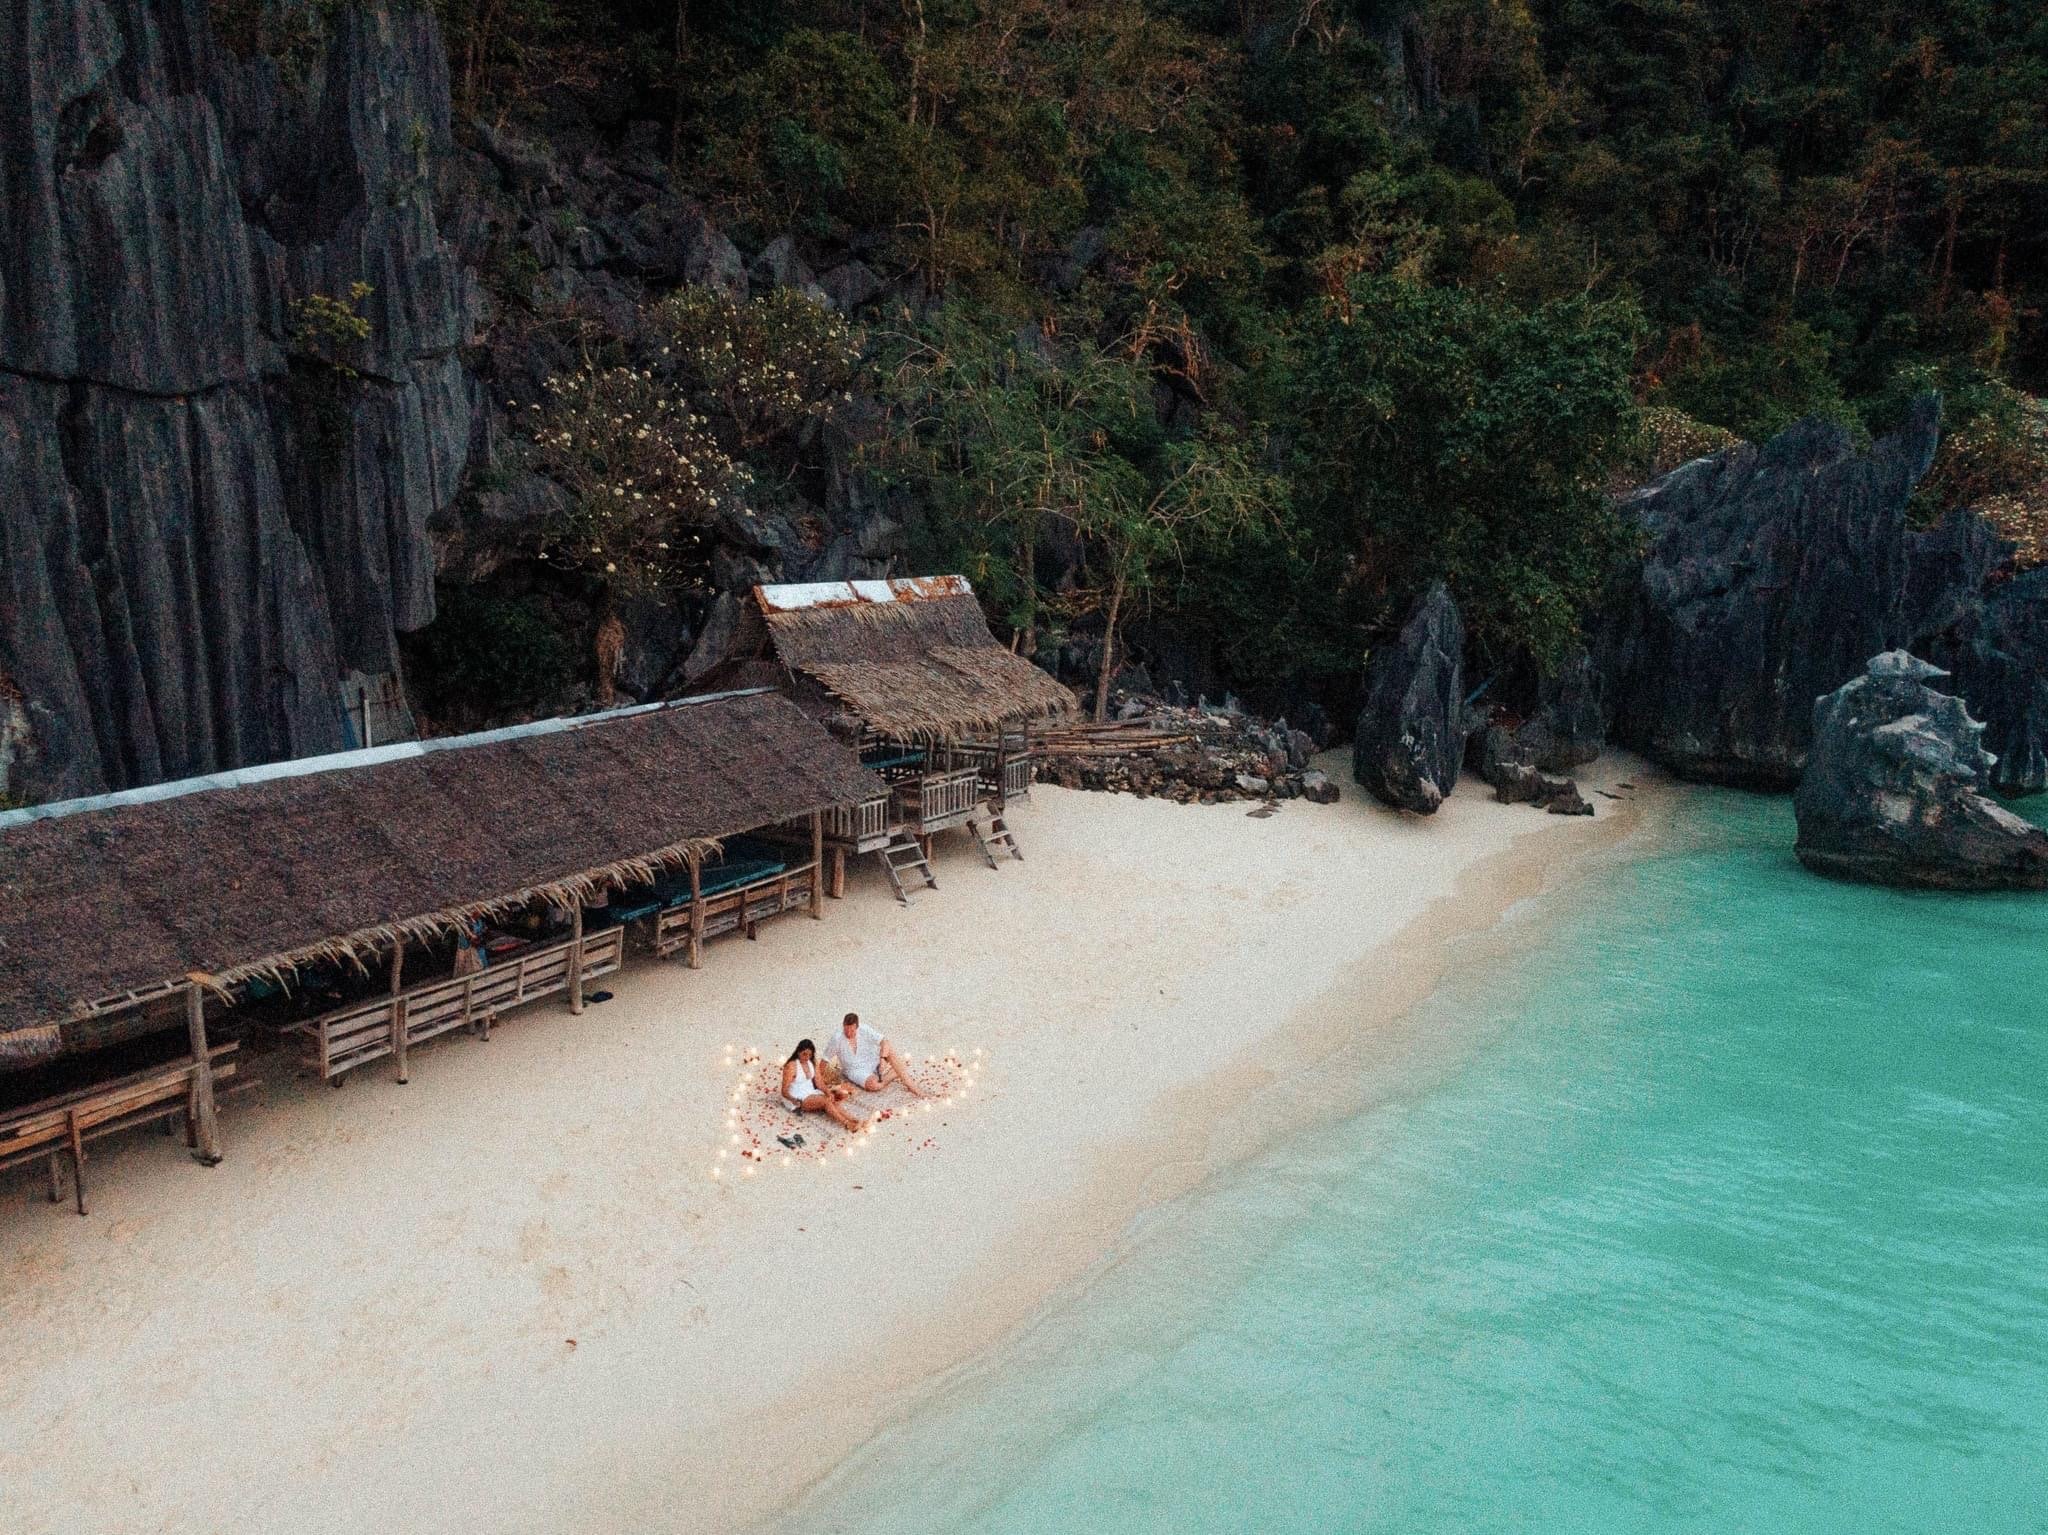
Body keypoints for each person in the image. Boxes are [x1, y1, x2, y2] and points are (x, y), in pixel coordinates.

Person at [823, 1012, 927, 1099]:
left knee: (888, 1048)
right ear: (843, 1025)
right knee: (874, 1085)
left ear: (857, 1027)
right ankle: (895, 1072)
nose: (849, 1033)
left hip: (873, 1059)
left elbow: (884, 1041)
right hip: (855, 1070)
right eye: (846, 1029)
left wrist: (882, 1059)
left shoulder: (864, 1029)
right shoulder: (836, 1038)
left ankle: (911, 1085)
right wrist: (818, 1083)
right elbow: (824, 1060)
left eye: (852, 1030)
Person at [780, 1039, 865, 1132]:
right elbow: (784, 1091)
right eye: (804, 1054)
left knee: (831, 1099)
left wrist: (828, 1093)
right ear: (798, 1052)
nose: (807, 1057)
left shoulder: (812, 1062)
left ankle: (852, 1119)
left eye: (809, 1054)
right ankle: (847, 1123)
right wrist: (794, 1100)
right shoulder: (791, 1066)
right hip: (797, 1097)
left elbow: (819, 1082)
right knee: (826, 1102)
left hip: (811, 1092)